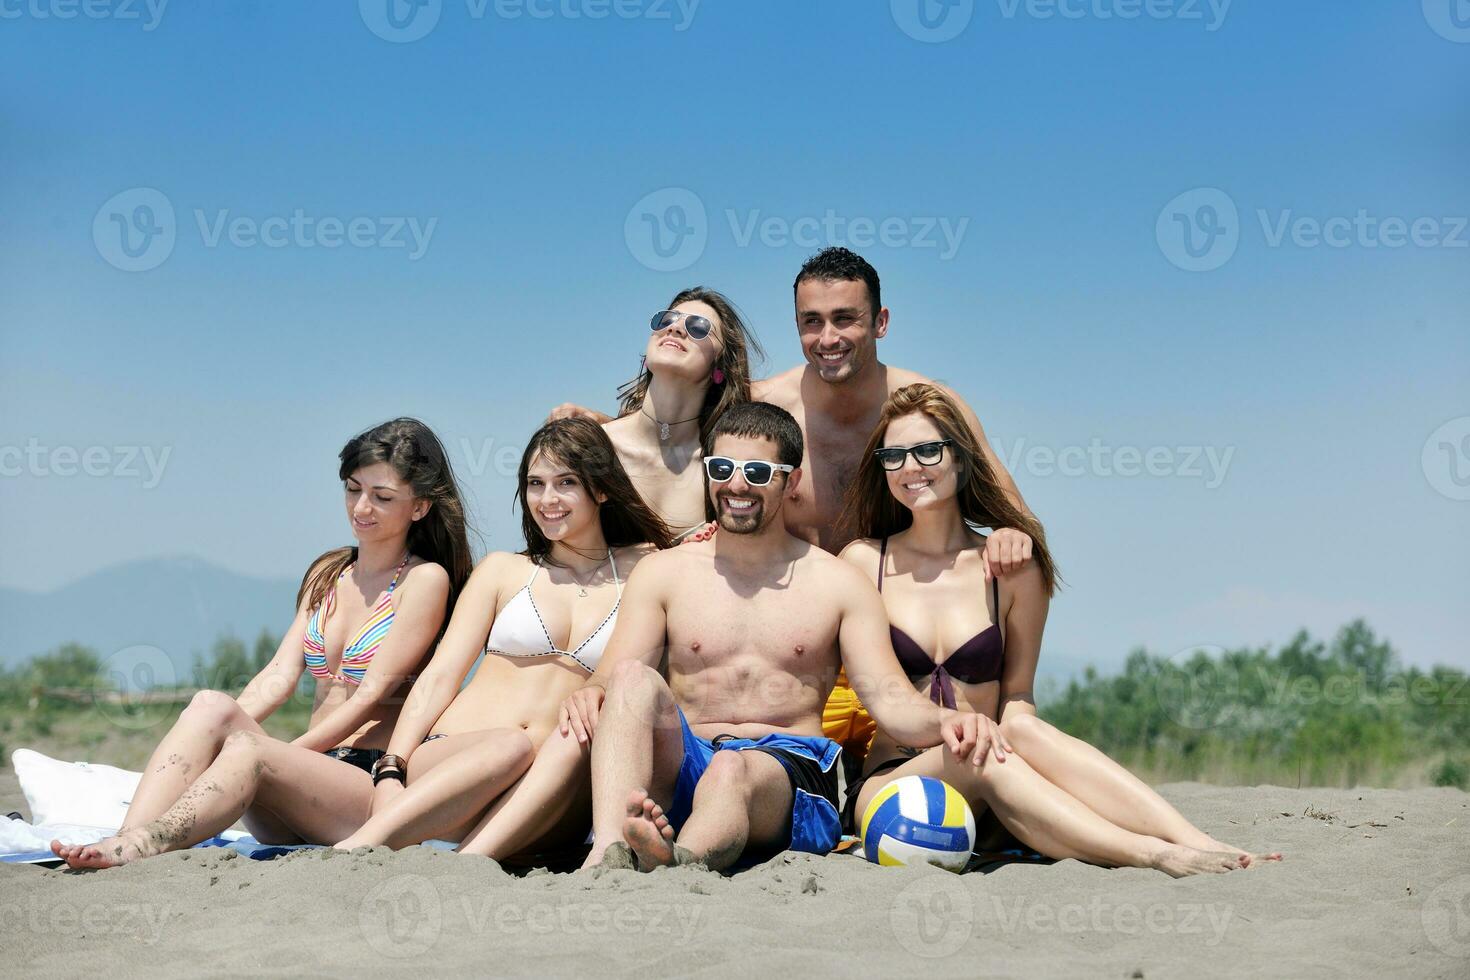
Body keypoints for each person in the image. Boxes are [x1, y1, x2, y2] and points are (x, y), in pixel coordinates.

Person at [836, 384, 1280, 875]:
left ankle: (1196, 838)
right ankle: (1158, 854)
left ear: (961, 461)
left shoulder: (1012, 569)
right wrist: (953, 729)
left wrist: (1011, 725)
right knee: (979, 753)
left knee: (1020, 727)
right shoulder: (862, 563)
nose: (909, 467)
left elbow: (1019, 693)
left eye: (926, 451)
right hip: (897, 784)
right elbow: (888, 702)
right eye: (893, 456)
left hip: (994, 787)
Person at [558, 402, 1000, 872]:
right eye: (722, 468)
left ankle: (680, 860)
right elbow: (613, 675)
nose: (737, 484)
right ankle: (608, 855)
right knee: (631, 678)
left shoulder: (836, 582)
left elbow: (888, 698)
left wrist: (948, 723)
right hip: (687, 758)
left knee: (732, 770)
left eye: (757, 471)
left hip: (789, 769)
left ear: (791, 481)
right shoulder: (664, 572)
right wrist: (590, 692)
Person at [53, 418, 471, 868]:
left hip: (360, 787)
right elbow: (279, 674)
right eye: (353, 489)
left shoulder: (425, 580)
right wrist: (215, 735)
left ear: (420, 506)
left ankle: (143, 845)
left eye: (382, 497)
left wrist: (285, 753)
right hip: (303, 780)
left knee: (250, 749)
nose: (361, 507)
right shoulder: (328, 573)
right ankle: (126, 838)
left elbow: (371, 694)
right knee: (210, 705)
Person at [335, 418, 671, 851]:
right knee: (512, 744)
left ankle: (468, 860)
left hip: (549, 792)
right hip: (455, 763)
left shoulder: (648, 568)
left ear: (602, 488)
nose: (547, 499)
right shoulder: (502, 570)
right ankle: (372, 844)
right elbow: (441, 676)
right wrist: (393, 766)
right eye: (535, 483)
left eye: (565, 482)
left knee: (572, 737)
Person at [602, 287, 762, 541]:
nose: (675, 328)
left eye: (698, 327)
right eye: (666, 319)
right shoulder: (594, 446)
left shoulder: (723, 469)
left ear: (720, 365)